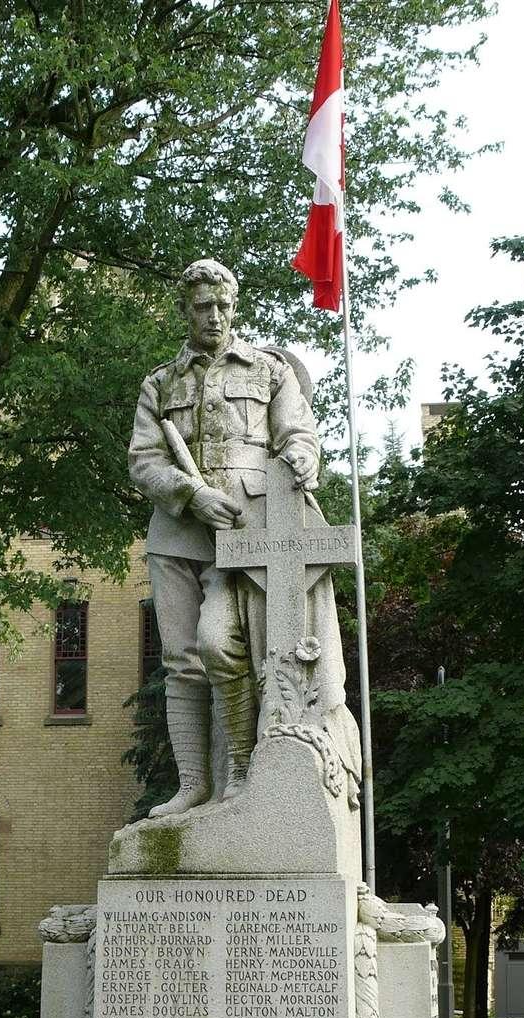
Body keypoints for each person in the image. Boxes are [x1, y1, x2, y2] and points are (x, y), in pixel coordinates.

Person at [129, 258, 338, 817]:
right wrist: (191, 495)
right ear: (186, 311)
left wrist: (299, 457)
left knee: (222, 645)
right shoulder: (160, 382)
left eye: (223, 305)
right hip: (177, 532)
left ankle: (243, 768)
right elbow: (144, 461)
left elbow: (298, 433)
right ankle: (193, 783)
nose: (214, 316)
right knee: (180, 660)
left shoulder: (269, 371)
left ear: (235, 307)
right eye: (202, 306)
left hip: (247, 532)